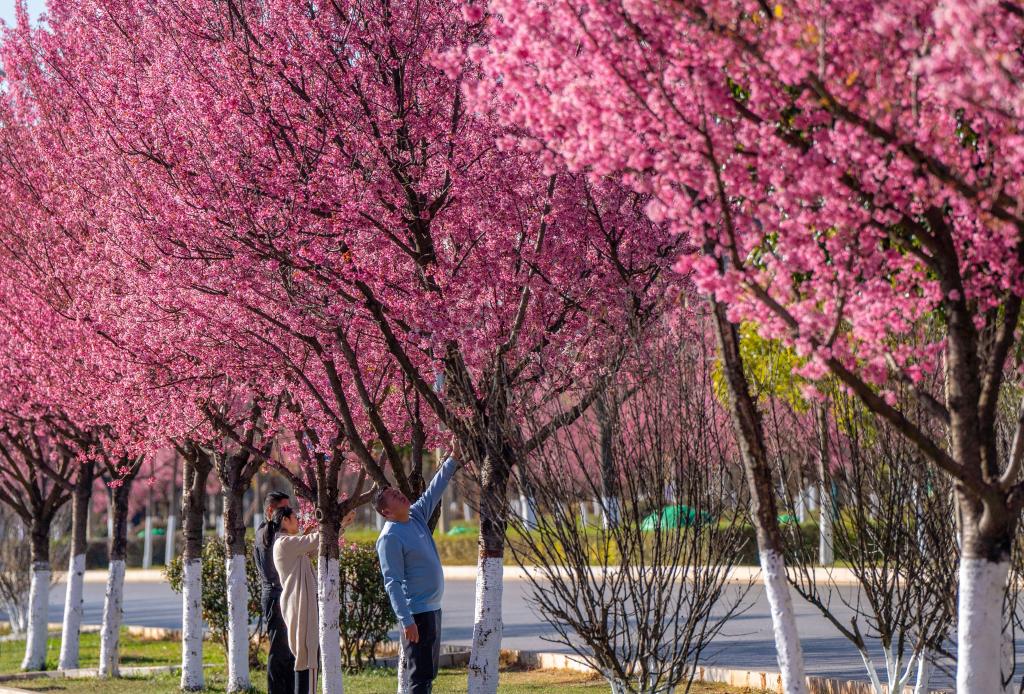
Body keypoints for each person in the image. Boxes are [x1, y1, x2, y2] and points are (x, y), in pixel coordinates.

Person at [375, 441, 465, 694]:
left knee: (428, 675)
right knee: (420, 678)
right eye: (393, 497)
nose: (400, 494)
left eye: (397, 491)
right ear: (386, 512)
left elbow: (433, 492)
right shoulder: (390, 537)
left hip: (433, 609)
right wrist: (406, 620)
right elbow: (391, 582)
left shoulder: (414, 516)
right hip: (417, 615)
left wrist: (453, 460)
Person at [272, 505, 355, 694]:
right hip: (300, 606)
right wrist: (340, 523)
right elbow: (316, 540)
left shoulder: (289, 544)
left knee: (306, 659)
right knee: (307, 659)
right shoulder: (284, 543)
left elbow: (314, 544)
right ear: (284, 520)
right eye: (294, 517)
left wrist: (341, 527)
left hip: (300, 605)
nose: (298, 520)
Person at [254, 491, 294, 694]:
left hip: (282, 596)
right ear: (270, 511)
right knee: (279, 652)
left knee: (289, 652)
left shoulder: (275, 533)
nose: (288, 514)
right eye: (283, 510)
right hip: (275, 597)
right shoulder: (266, 534)